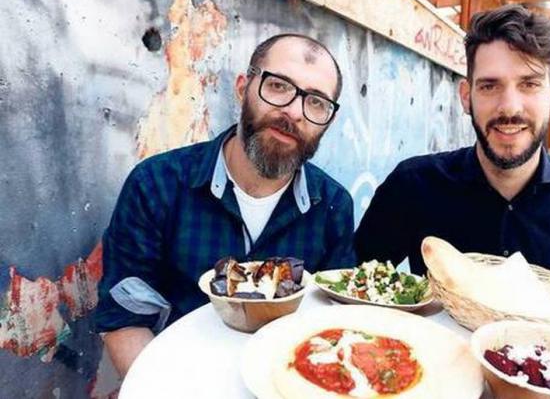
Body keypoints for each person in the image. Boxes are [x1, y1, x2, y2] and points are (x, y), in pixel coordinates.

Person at [355, 4, 550, 363]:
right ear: (465, 96)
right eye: (489, 85)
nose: (510, 106)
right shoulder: (413, 185)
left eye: (530, 84)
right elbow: (357, 282)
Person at [95, 33, 356, 376]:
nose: (294, 112)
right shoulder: (157, 185)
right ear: (243, 87)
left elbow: (332, 323)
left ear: (329, 120)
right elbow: (125, 318)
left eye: (317, 102)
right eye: (278, 86)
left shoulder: (334, 206)